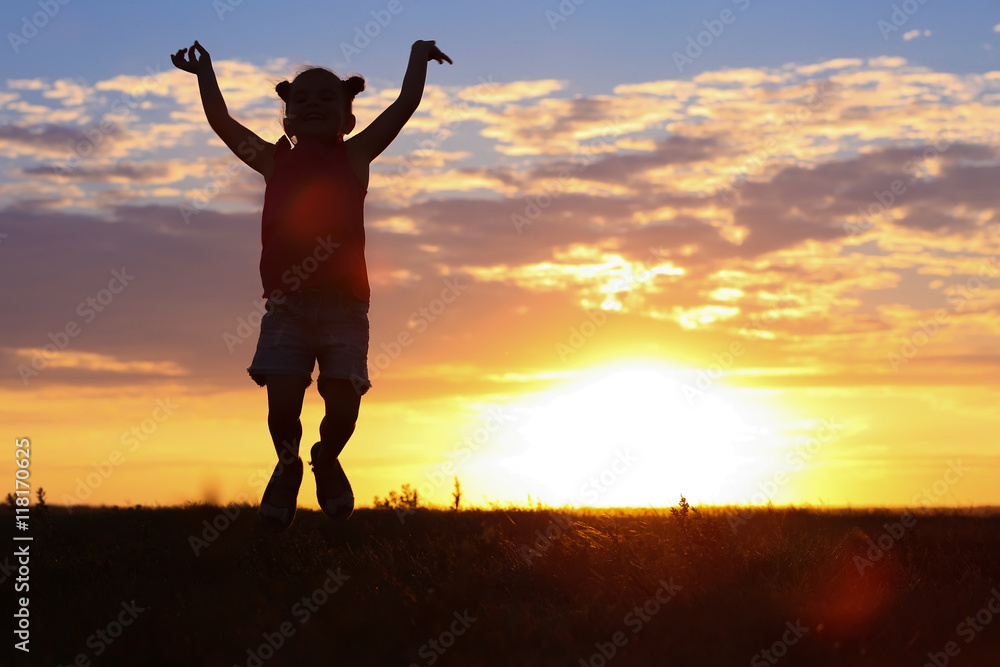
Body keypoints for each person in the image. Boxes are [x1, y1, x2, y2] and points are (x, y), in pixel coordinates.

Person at [171, 39, 452, 531]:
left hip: (346, 310)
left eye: (327, 98)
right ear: (287, 121)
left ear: (348, 119)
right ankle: (287, 465)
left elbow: (404, 106)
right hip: (287, 310)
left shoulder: (357, 155)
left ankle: (325, 457)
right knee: (283, 408)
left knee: (343, 406)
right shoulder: (272, 161)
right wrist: (204, 74)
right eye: (300, 101)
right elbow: (222, 122)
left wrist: (415, 54)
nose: (313, 105)